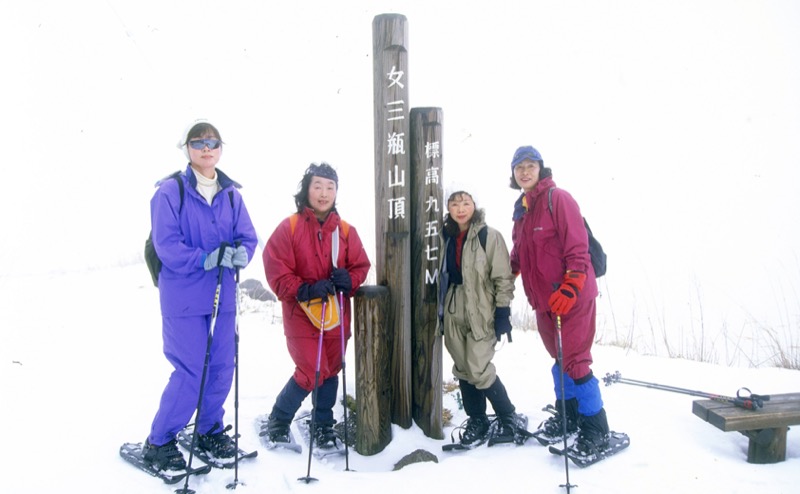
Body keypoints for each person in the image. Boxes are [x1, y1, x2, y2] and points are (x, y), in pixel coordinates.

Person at [142, 119, 258, 471]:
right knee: (190, 371)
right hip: (184, 300)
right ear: (187, 149)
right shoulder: (170, 192)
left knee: (222, 367)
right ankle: (159, 441)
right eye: (198, 142)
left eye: (212, 142)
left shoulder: (231, 195)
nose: (206, 148)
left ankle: (208, 430)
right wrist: (205, 258)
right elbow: (166, 245)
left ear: (220, 149)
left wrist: (242, 253)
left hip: (222, 297)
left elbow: (248, 237)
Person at [508, 145, 614, 457]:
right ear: (513, 175)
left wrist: (570, 287)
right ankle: (568, 415)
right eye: (519, 167)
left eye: (530, 165)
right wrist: (501, 276)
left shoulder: (559, 200)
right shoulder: (522, 212)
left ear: (541, 168)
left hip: (573, 297)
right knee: (559, 357)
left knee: (577, 360)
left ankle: (596, 427)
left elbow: (578, 249)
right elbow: (518, 256)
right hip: (544, 302)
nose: (525, 171)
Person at [262, 163, 371, 450]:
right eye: (318, 186)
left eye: (330, 187)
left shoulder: (346, 231)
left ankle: (323, 424)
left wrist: (351, 279)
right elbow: (276, 269)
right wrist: (305, 288)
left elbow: (361, 266)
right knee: (312, 370)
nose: (324, 193)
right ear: (306, 190)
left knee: (332, 368)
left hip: (336, 314)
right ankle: (279, 418)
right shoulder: (290, 227)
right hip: (301, 313)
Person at [438, 190, 525, 449]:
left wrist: (502, 312)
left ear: (474, 205)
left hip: (482, 309)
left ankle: (508, 417)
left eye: (466, 202)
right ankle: (477, 421)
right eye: (454, 203)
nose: (460, 208)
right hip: (454, 307)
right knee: (463, 368)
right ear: (449, 208)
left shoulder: (490, 236)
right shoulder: (445, 236)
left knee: (479, 368)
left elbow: (503, 277)